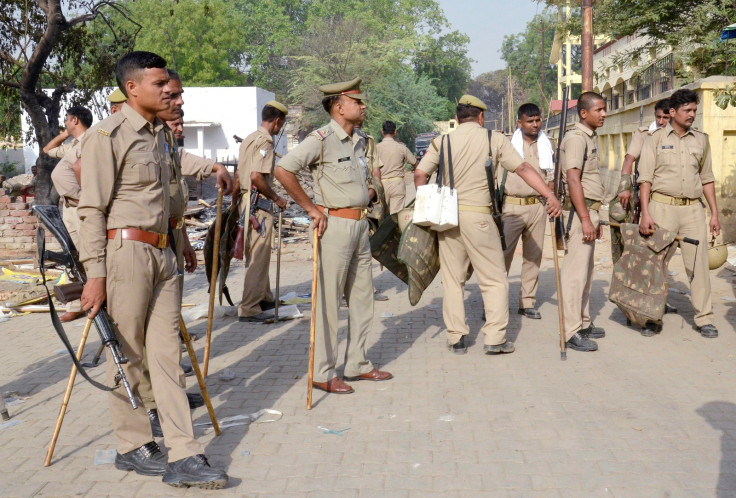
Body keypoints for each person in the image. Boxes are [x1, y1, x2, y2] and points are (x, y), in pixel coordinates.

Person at [78, 51, 228, 488]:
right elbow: (92, 209)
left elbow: (170, 195)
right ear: (133, 89)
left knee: (168, 358)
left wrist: (179, 239)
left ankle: (185, 453)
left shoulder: (161, 134)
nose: (168, 90)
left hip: (163, 254)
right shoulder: (107, 136)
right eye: (160, 84)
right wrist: (95, 275)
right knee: (128, 354)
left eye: (168, 84)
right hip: (125, 255)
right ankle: (133, 444)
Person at [414, 95, 561, 355]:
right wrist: (548, 195)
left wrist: (427, 204)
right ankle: (494, 338)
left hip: (447, 219)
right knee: (494, 280)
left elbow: (420, 174)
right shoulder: (493, 139)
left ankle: (456, 337)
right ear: (481, 117)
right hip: (480, 218)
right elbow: (524, 168)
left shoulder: (442, 141)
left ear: (458, 118)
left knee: (452, 280)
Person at [275, 77, 393, 394]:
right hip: (334, 226)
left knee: (362, 297)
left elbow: (371, 178)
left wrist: (369, 191)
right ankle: (322, 373)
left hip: (360, 225)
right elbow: (283, 169)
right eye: (358, 101)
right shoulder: (322, 139)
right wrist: (311, 209)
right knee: (329, 304)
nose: (364, 106)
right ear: (339, 106)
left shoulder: (362, 141)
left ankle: (357, 363)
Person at [138, 70, 233, 437]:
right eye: (174, 120)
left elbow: (178, 192)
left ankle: (168, 397)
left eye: (181, 122)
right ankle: (147, 406)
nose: (179, 125)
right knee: (137, 341)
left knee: (164, 337)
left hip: (167, 243)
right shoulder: (121, 139)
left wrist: (185, 244)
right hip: (133, 250)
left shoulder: (164, 145)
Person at [638, 88, 721, 338]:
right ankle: (652, 317)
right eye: (687, 110)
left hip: (693, 211)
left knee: (698, 265)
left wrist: (714, 214)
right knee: (656, 264)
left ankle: (704, 317)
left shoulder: (701, 140)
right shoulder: (654, 139)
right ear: (672, 112)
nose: (692, 114)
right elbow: (645, 180)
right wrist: (645, 213)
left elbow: (707, 179)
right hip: (661, 208)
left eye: (695, 110)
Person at [559, 92, 608, 352]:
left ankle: (583, 322)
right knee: (574, 276)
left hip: (589, 211)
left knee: (587, 273)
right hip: (580, 215)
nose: (603, 114)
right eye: (598, 109)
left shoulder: (589, 136)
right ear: (584, 113)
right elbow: (574, 180)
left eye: (604, 109)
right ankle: (570, 331)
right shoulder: (577, 139)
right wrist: (586, 219)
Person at [236, 100, 288, 322]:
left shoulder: (249, 138)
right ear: (277, 122)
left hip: (246, 201)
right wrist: (276, 197)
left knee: (260, 252)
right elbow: (257, 175)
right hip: (259, 205)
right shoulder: (265, 141)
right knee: (258, 255)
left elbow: (240, 175)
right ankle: (249, 307)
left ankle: (263, 297)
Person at [503, 103, 554, 320]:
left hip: (538, 207)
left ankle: (527, 302)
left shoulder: (546, 143)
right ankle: (494, 305)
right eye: (529, 121)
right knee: (501, 257)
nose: (534, 125)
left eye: (537, 120)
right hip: (511, 207)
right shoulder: (507, 145)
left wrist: (551, 198)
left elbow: (551, 176)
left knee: (533, 256)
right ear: (519, 123)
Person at [48, 105, 93, 322]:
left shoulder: (92, 141)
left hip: (81, 206)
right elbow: (47, 150)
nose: (65, 123)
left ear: (75, 119)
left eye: (67, 119)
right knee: (72, 255)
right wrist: (66, 134)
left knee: (88, 253)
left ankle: (92, 299)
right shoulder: (72, 144)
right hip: (68, 207)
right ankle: (77, 302)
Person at [375, 121, 417, 214]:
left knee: (382, 216)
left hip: (382, 185)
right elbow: (415, 163)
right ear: (395, 132)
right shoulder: (401, 148)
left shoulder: (376, 148)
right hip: (397, 184)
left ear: (382, 131)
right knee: (396, 216)